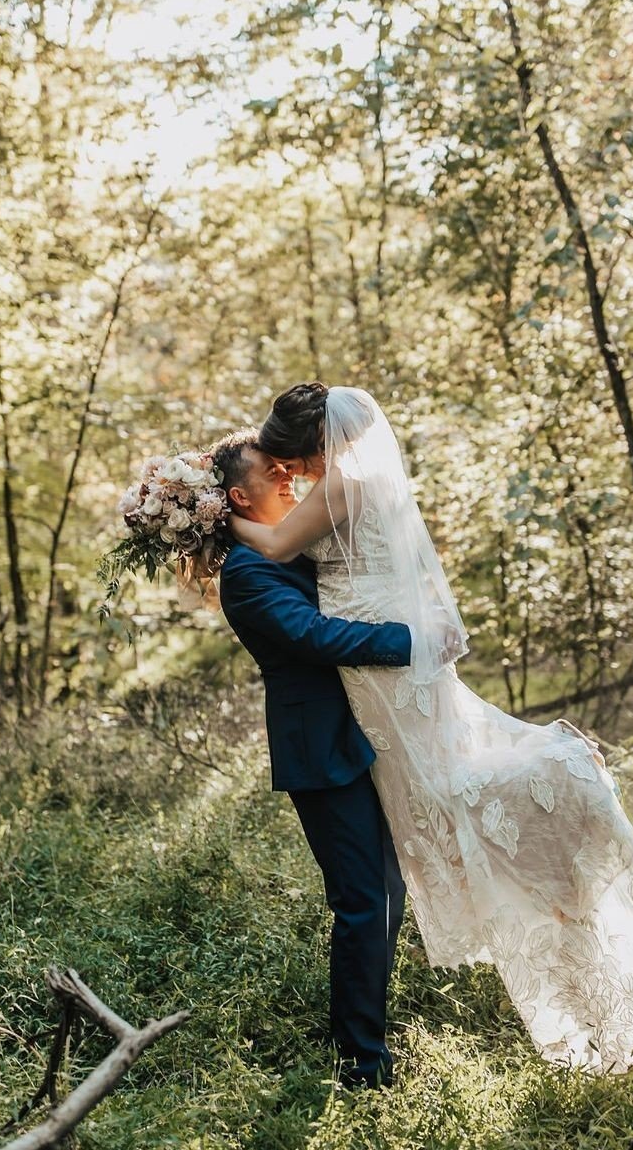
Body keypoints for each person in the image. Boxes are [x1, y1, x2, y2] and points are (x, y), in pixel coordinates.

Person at [228, 383, 633, 1075]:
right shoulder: (332, 500)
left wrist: (204, 515)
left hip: (389, 681)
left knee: (456, 802)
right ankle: (378, 1043)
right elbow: (299, 600)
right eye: (276, 472)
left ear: (315, 445)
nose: (289, 478)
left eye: (291, 463)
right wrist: (198, 514)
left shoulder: (336, 490)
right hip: (372, 695)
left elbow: (276, 541)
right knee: (421, 834)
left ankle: (571, 907)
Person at [211, 428, 413, 1089]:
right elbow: (311, 634)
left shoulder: (289, 539)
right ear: (242, 495)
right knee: (361, 897)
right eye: (272, 470)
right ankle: (362, 1061)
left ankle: (365, 1025)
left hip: (363, 730)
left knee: (386, 887)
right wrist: (410, 639)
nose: (286, 472)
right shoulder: (245, 572)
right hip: (319, 746)